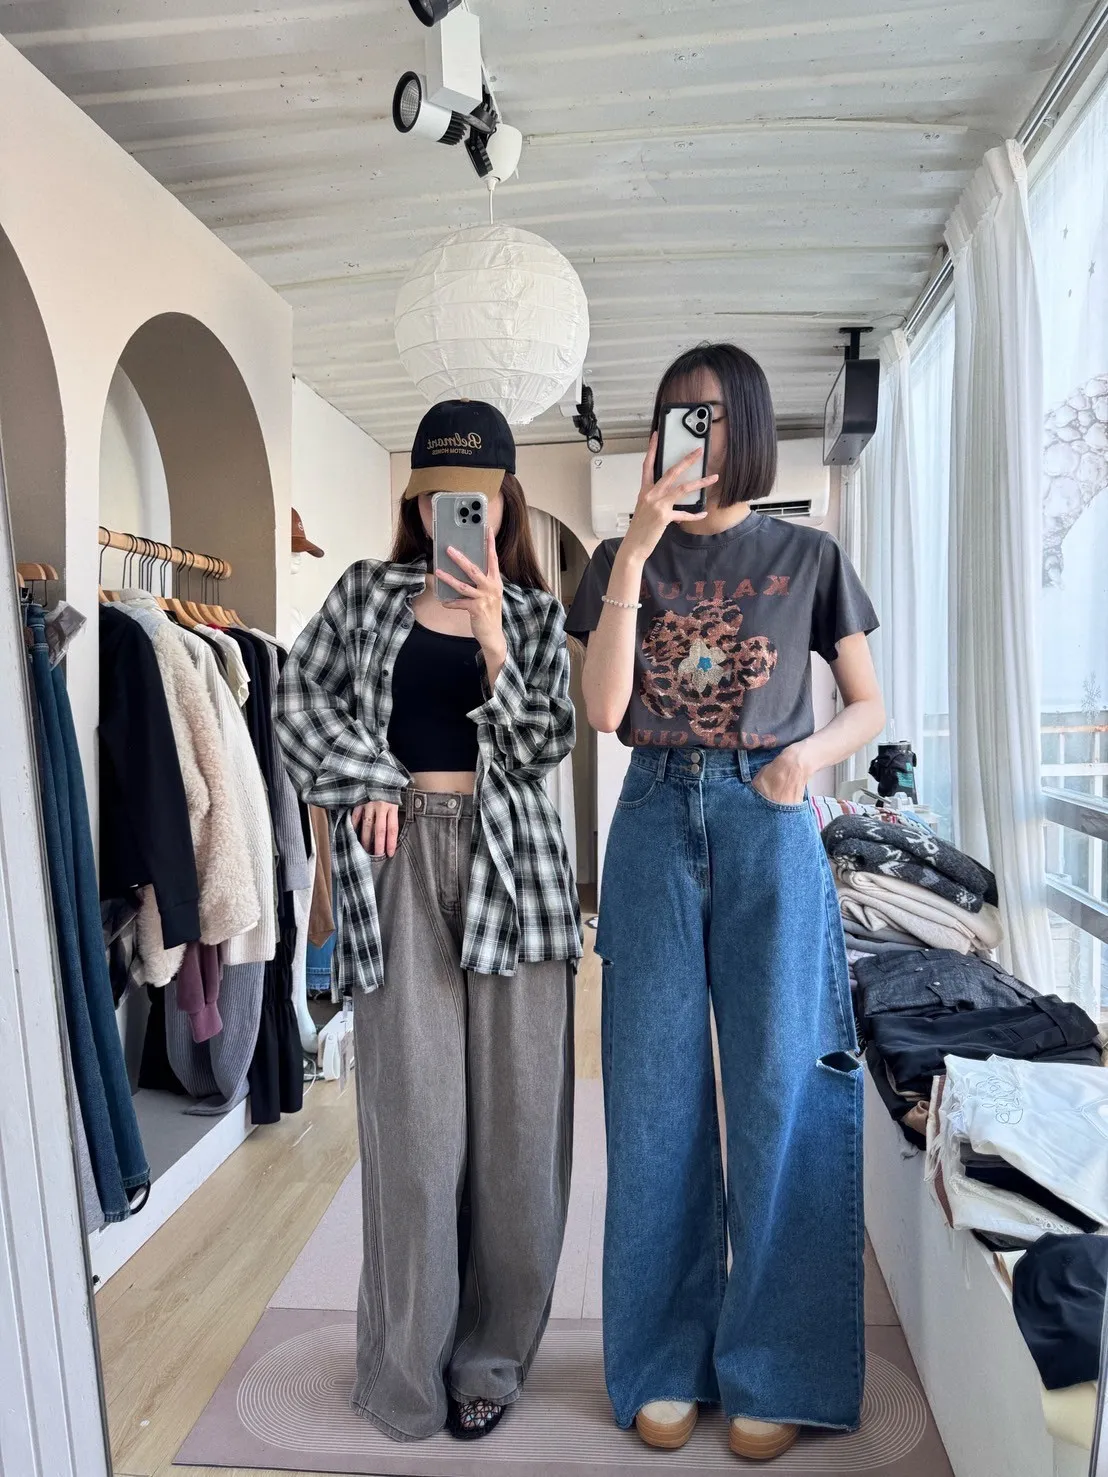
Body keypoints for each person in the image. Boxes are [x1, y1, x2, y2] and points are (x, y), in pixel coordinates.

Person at [566, 344, 885, 1463]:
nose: (688, 433)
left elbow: (867, 704)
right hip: (653, 813)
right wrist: (635, 547)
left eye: (707, 415)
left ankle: (777, 1366)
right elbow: (604, 710)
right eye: (674, 415)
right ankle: (664, 1359)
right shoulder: (620, 555)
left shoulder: (809, 553)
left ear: (745, 425)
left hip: (768, 812)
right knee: (652, 1096)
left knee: (778, 1090)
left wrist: (806, 759)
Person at [275, 399, 581, 1443]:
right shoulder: (364, 594)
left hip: (516, 877)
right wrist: (367, 773)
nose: (455, 514)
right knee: (414, 1133)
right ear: (416, 505)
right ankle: (406, 1366)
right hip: (397, 860)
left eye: (475, 499)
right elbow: (297, 700)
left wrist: (494, 636)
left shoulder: (532, 613)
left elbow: (542, 748)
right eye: (436, 499)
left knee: (518, 1139)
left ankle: (489, 1360)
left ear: (504, 503)